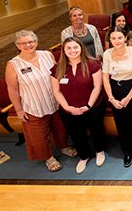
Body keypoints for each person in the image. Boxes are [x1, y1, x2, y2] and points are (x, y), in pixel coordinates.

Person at [6, 30, 75, 172]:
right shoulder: (13, 64)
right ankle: (48, 157)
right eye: (23, 43)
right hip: (34, 107)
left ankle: (63, 147)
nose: (28, 45)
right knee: (38, 136)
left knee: (60, 128)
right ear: (17, 45)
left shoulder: (47, 55)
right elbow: (12, 89)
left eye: (31, 42)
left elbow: (58, 74)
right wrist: (18, 110)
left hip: (55, 102)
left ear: (36, 42)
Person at [50, 37, 106, 174]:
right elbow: (56, 91)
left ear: (81, 48)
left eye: (75, 47)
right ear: (64, 50)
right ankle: (84, 156)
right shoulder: (57, 68)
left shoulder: (93, 64)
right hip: (69, 109)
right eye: (68, 48)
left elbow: (97, 87)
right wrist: (67, 107)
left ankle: (99, 151)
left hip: (92, 106)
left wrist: (88, 105)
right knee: (76, 133)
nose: (72, 50)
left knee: (96, 129)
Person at [103, 27, 132, 167]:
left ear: (125, 38)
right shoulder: (107, 54)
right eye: (113, 38)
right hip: (115, 90)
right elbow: (105, 78)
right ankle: (126, 152)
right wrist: (111, 98)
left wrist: (128, 97)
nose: (117, 41)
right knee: (121, 124)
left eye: (120, 38)